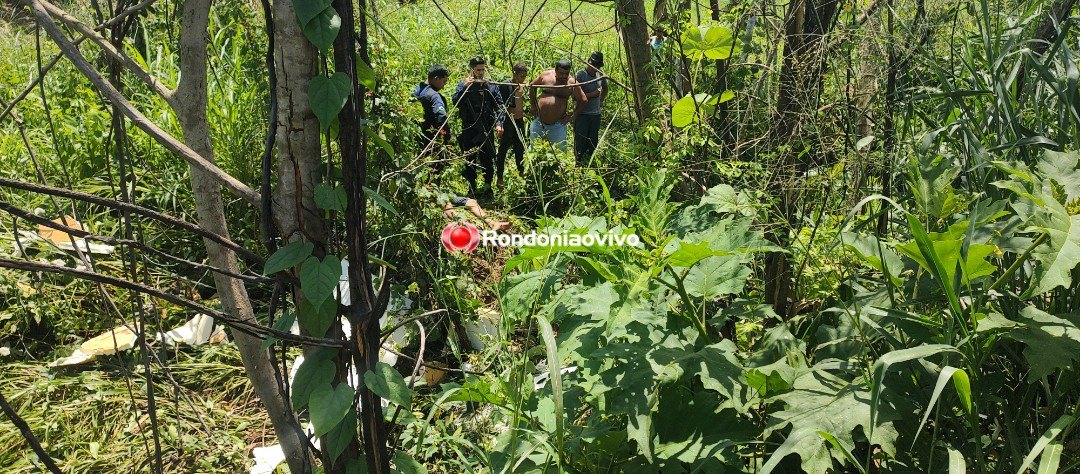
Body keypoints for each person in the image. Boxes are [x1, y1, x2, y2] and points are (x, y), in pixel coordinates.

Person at [452, 57, 505, 196]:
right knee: (470, 158)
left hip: (487, 127)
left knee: (488, 157)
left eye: (482, 70)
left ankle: (488, 186)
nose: (481, 73)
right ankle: (472, 186)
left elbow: (500, 106)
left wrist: (499, 124)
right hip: (469, 128)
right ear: (472, 70)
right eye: (478, 70)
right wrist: (465, 87)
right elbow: (455, 102)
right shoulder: (463, 85)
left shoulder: (491, 85)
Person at [528, 59, 587, 151]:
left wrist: (572, 115)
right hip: (539, 122)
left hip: (557, 125)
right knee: (534, 150)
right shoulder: (546, 76)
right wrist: (533, 105)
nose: (564, 76)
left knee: (559, 153)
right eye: (561, 73)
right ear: (555, 70)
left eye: (566, 74)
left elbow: (583, 100)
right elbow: (532, 86)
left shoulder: (571, 83)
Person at [413, 64, 452, 171]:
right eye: (443, 82)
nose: (444, 86)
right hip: (431, 140)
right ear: (436, 79)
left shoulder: (416, 91)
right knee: (434, 170)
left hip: (416, 138)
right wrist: (446, 136)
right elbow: (441, 117)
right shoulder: (434, 96)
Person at [496, 62, 529, 187]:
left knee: (519, 149)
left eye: (524, 76)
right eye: (521, 76)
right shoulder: (506, 85)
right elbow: (500, 105)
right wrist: (499, 123)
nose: (523, 79)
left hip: (519, 121)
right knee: (503, 149)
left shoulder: (522, 85)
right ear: (514, 74)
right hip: (508, 121)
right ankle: (499, 178)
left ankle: (521, 175)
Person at [573, 52, 608, 165]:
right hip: (582, 113)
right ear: (589, 62)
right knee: (580, 138)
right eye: (594, 65)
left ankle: (590, 161)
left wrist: (601, 100)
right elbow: (575, 96)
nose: (596, 68)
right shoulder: (581, 75)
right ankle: (578, 161)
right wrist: (592, 95)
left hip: (595, 114)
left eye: (598, 66)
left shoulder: (600, 75)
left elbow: (605, 89)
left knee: (593, 139)